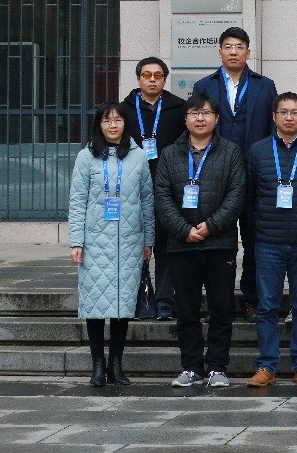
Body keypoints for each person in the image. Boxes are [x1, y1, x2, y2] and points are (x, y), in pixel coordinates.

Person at [154, 94, 247, 388]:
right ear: (185, 119)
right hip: (182, 245)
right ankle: (192, 367)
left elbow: (236, 195)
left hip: (219, 244)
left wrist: (210, 227)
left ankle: (217, 366)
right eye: (194, 113)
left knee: (221, 309)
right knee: (186, 311)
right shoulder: (169, 154)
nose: (200, 118)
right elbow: (162, 198)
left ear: (216, 119)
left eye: (206, 113)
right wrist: (184, 230)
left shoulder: (231, 152)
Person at [191, 26, 278, 323]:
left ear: (248, 52)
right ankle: (219, 301)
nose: (233, 52)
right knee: (217, 240)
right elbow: (197, 127)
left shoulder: (265, 86)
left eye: (239, 47)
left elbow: (272, 130)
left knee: (255, 240)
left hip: (255, 174)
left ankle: (251, 298)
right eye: (228, 46)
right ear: (219, 52)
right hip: (217, 174)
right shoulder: (204, 86)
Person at [68, 103, 154, 387]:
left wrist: (149, 240)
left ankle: (116, 363)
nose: (113, 125)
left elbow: (147, 200)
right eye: (107, 121)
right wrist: (76, 241)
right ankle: (97, 364)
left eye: (118, 120)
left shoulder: (138, 156)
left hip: (130, 241)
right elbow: (77, 201)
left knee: (122, 304)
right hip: (95, 242)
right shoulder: (86, 156)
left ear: (125, 124)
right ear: (99, 125)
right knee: (95, 304)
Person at [244, 93, 297, 387]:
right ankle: (267, 365)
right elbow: (249, 197)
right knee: (267, 306)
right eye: (283, 112)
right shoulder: (258, 150)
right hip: (268, 241)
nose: (289, 117)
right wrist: (253, 234)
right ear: (274, 117)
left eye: (295, 112)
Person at [120, 57, 186, 321]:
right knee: (135, 245)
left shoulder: (178, 109)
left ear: (164, 80)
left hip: (168, 185)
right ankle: (135, 299)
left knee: (167, 245)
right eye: (146, 75)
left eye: (157, 75)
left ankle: (165, 301)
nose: (152, 80)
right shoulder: (124, 110)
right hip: (132, 187)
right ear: (138, 79)